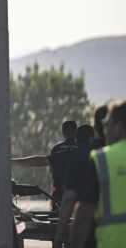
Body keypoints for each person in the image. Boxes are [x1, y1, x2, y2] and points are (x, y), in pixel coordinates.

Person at [71, 101, 126, 248]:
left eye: (107, 124)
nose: (104, 130)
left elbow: (83, 214)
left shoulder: (102, 159)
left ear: (119, 127)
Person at [54, 107, 109, 248]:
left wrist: (60, 234)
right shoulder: (112, 154)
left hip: (92, 230)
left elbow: (70, 200)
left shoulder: (81, 156)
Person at [11, 121, 80, 209]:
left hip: (60, 195)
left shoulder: (57, 149)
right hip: (80, 196)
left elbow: (47, 168)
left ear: (63, 133)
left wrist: (12, 161)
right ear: (76, 132)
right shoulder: (82, 148)